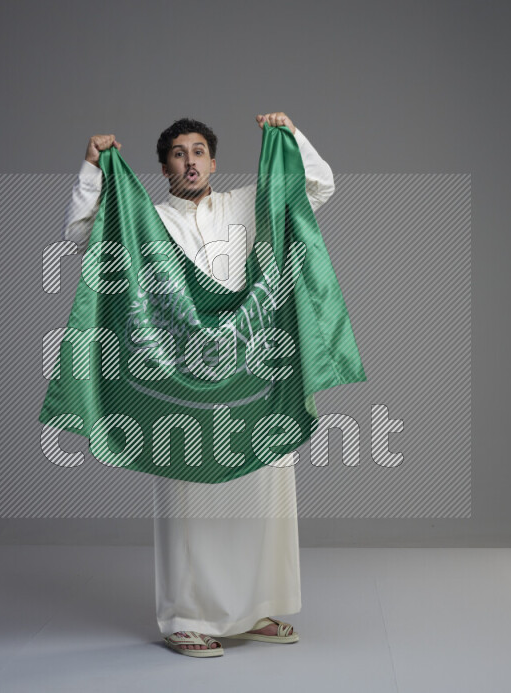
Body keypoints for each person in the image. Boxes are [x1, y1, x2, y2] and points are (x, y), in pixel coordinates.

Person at [61, 113, 335, 657]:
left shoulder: (245, 205)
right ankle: (187, 616)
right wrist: (93, 170)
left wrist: (290, 134)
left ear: (213, 161)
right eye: (179, 154)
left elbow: (317, 186)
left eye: (199, 152)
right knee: (189, 495)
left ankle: (254, 610)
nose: (190, 161)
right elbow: (80, 233)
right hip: (181, 373)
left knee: (264, 488)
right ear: (164, 167)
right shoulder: (147, 220)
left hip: (253, 364)